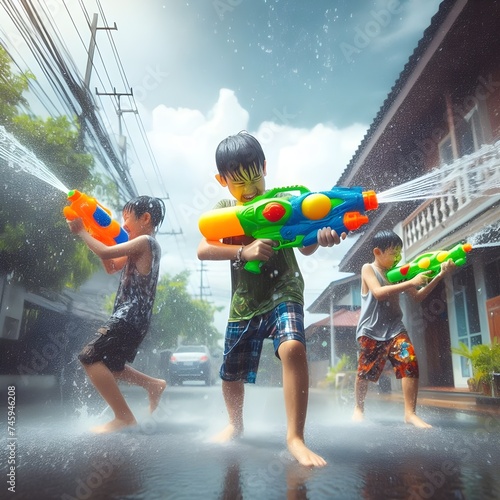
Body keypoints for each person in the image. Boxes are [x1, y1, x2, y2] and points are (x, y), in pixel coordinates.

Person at [197, 131, 345, 467]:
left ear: (265, 167)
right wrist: (242, 250)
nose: (249, 190)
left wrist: (321, 238)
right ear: (222, 181)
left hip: (285, 289)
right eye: (238, 183)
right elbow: (203, 248)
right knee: (231, 373)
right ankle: (234, 425)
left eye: (255, 178)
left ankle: (295, 437)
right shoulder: (224, 211)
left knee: (293, 346)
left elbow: (305, 243)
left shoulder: (285, 206)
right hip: (245, 302)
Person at [67, 195, 167, 434]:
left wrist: (82, 231)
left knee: (89, 356)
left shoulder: (145, 242)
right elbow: (111, 265)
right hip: (132, 317)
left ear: (145, 219)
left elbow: (106, 251)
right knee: (111, 365)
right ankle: (153, 385)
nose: (123, 225)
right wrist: (98, 234)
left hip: (130, 316)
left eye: (127, 218)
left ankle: (123, 417)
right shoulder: (139, 246)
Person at [351, 229, 455, 428]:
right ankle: (359, 408)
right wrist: (410, 281)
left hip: (395, 328)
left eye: (399, 252)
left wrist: (439, 276)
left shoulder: (399, 273)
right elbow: (379, 292)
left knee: (410, 362)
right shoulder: (368, 269)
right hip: (371, 331)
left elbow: (418, 296)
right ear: (377, 252)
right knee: (365, 372)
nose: (397, 257)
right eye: (393, 253)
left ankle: (410, 414)